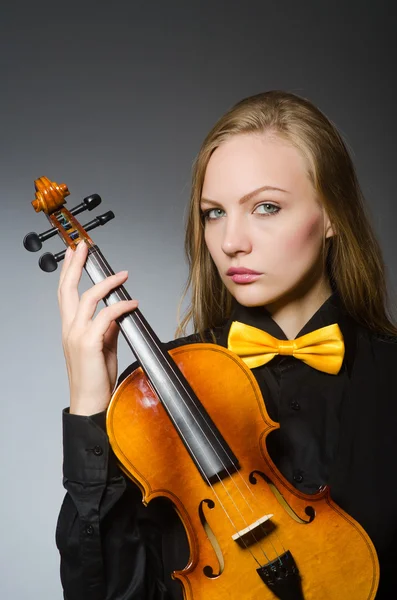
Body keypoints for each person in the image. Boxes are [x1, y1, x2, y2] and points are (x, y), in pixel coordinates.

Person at [55, 90, 397, 600]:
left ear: (332, 216)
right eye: (214, 213)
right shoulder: (158, 392)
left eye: (266, 207)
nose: (232, 240)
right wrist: (89, 412)